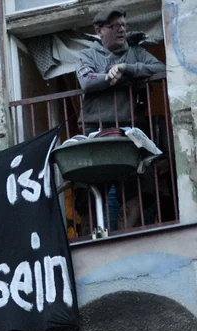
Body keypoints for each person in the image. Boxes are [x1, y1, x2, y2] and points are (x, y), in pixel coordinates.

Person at [75, 9, 165, 231]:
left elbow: (161, 68)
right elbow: (86, 81)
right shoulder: (88, 55)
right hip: (94, 131)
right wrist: (110, 76)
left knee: (136, 189)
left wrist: (127, 69)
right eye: (114, 26)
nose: (121, 29)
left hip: (129, 132)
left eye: (123, 25)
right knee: (89, 192)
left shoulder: (135, 52)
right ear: (99, 30)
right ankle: (92, 241)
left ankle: (128, 238)